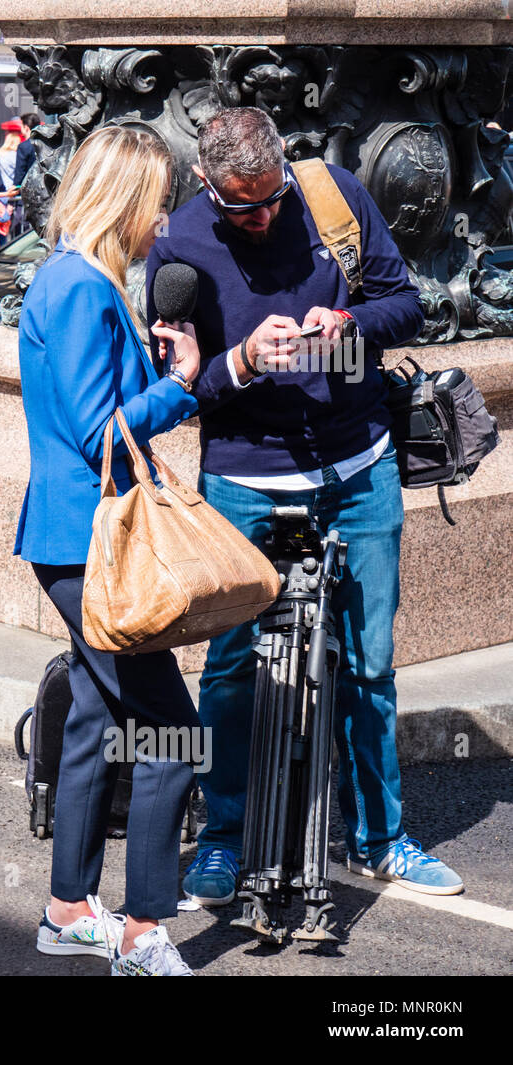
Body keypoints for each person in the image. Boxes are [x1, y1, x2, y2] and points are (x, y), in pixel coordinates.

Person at [145, 106, 460, 900]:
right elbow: (179, 391)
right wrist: (243, 363)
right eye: (241, 207)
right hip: (245, 472)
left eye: (272, 196)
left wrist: (348, 321)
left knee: (370, 663)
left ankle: (382, 836)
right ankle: (222, 835)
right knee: (227, 668)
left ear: (286, 166)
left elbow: (406, 304)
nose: (263, 216)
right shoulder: (181, 245)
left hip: (357, 462)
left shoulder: (333, 195)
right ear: (208, 190)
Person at [16, 124, 201, 976]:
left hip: (68, 540)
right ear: (125, 199)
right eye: (158, 203)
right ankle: (141, 927)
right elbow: (102, 432)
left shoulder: (66, 279)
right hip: (90, 545)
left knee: (96, 720)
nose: (163, 223)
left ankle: (65, 909)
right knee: (172, 732)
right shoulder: (84, 288)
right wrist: (180, 387)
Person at [13, 113, 41, 188]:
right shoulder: (46, 143)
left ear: (26, 127)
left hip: (28, 187)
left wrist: (16, 186)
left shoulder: (23, 146)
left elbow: (20, 171)